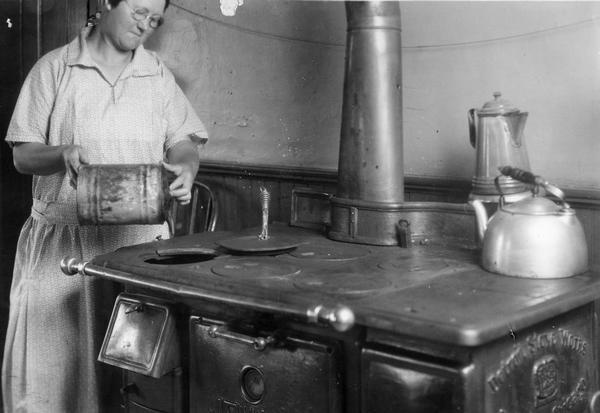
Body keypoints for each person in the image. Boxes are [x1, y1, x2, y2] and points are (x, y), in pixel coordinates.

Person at [1, 0, 207, 411]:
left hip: (140, 250)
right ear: (108, 2)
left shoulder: (156, 74)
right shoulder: (55, 68)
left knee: (134, 377)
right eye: (138, 11)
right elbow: (23, 156)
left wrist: (185, 167)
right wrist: (61, 154)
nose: (146, 24)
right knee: (51, 376)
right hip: (62, 249)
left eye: (154, 18)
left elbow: (183, 140)